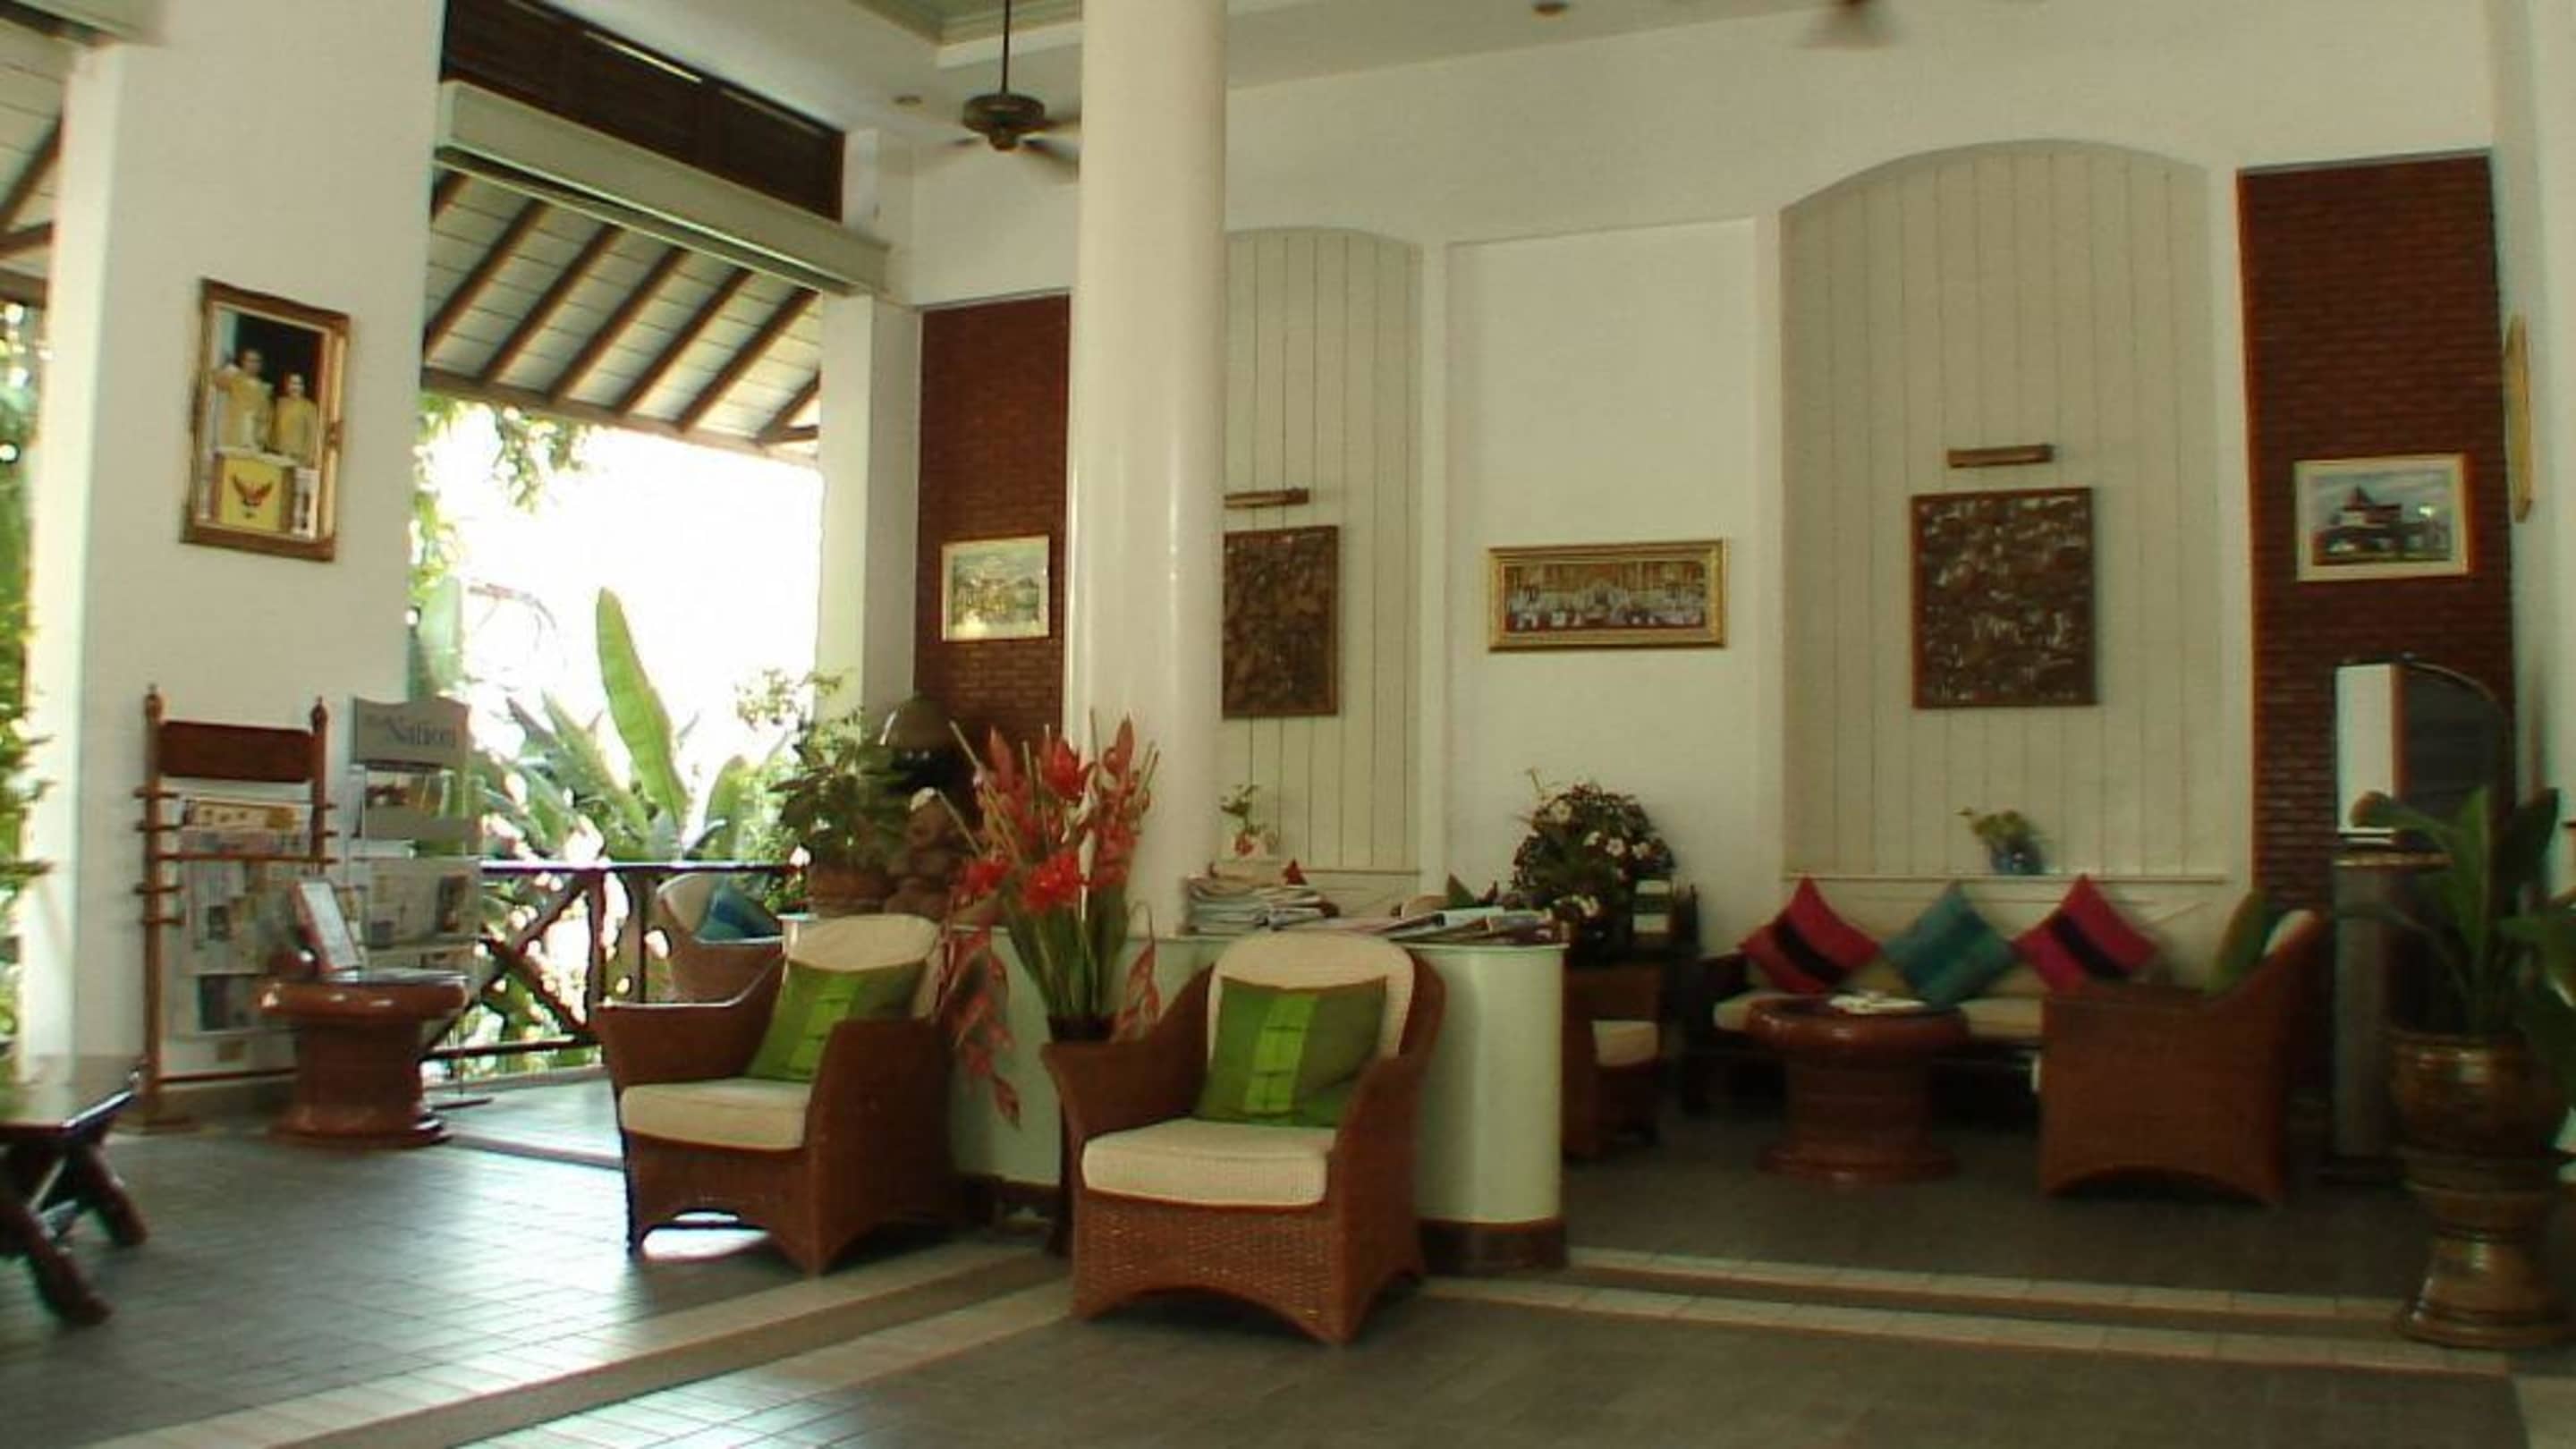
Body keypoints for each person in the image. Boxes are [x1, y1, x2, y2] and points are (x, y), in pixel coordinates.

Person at [209, 347, 270, 452]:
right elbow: (216, 381)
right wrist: (226, 368)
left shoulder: (263, 388)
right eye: (250, 360)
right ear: (243, 362)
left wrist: (261, 439)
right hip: (234, 433)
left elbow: (265, 416)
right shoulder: (235, 377)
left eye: (257, 361)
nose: (253, 364)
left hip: (253, 438)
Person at [268, 371, 319, 464]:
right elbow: (272, 428)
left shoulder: (309, 407)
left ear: (303, 387)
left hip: (298, 458)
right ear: (287, 385)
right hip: (278, 455)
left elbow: (312, 435)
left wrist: (308, 459)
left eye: (298, 384)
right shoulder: (280, 403)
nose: (295, 387)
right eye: (292, 383)